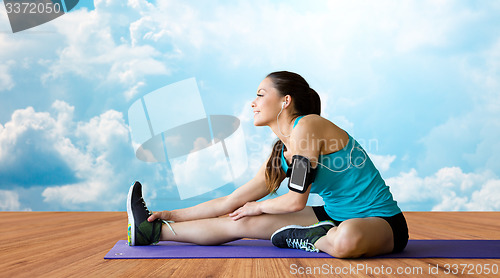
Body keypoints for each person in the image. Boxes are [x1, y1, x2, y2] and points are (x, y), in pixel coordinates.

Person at [127, 71, 408, 258]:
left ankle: (309, 238)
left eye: (261, 94)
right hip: (331, 216)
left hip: (381, 222)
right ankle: (150, 232)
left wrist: (259, 206)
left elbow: (296, 201)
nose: (253, 102)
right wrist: (171, 215)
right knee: (240, 221)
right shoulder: (280, 155)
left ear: (285, 101)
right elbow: (231, 201)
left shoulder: (309, 126)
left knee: (347, 241)